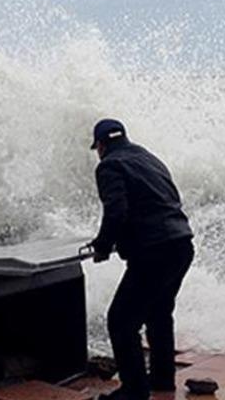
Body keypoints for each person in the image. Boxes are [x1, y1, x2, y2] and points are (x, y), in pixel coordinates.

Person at [89, 119, 194, 400]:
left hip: (154, 251)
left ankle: (134, 390)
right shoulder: (149, 158)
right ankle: (162, 381)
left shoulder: (109, 165)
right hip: (181, 244)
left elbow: (116, 211)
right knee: (159, 314)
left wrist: (102, 246)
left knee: (121, 321)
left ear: (100, 145)